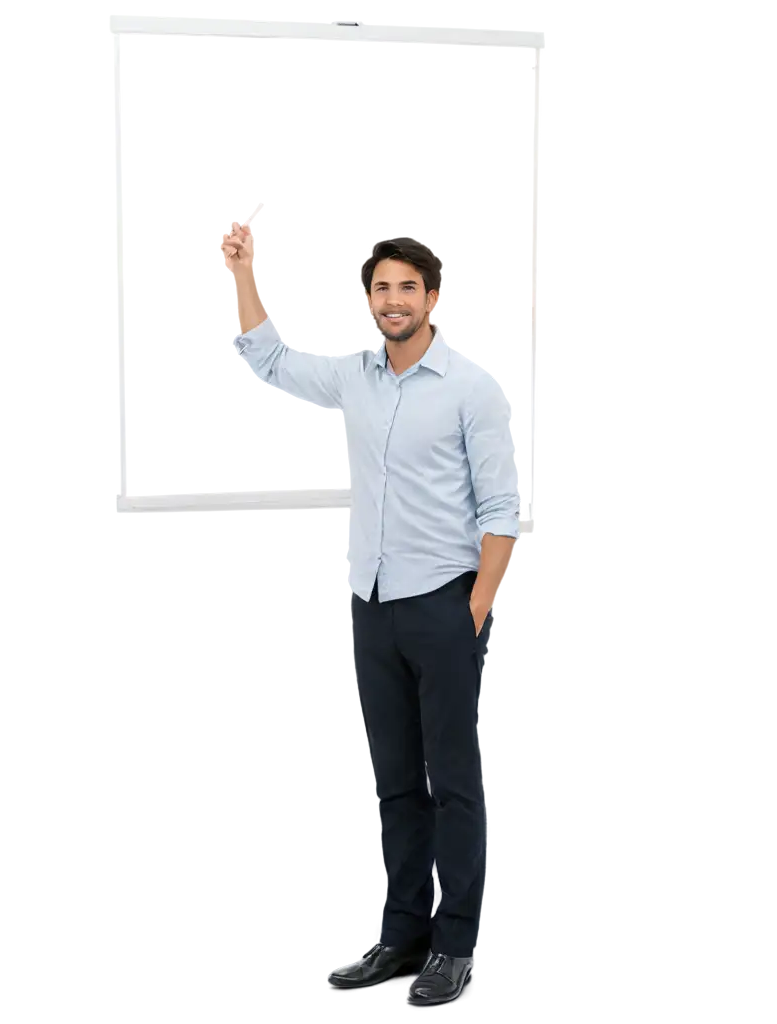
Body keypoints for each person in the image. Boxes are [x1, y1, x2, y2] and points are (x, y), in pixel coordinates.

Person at [219, 220, 521, 1006]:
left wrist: (476, 609)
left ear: (434, 301)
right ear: (369, 301)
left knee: (451, 781)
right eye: (382, 288)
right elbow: (268, 359)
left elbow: (502, 509)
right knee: (395, 783)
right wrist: (244, 275)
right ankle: (400, 936)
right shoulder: (356, 374)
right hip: (375, 606)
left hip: (445, 605)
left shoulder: (472, 387)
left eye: (407, 288)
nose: (394, 300)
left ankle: (453, 945)